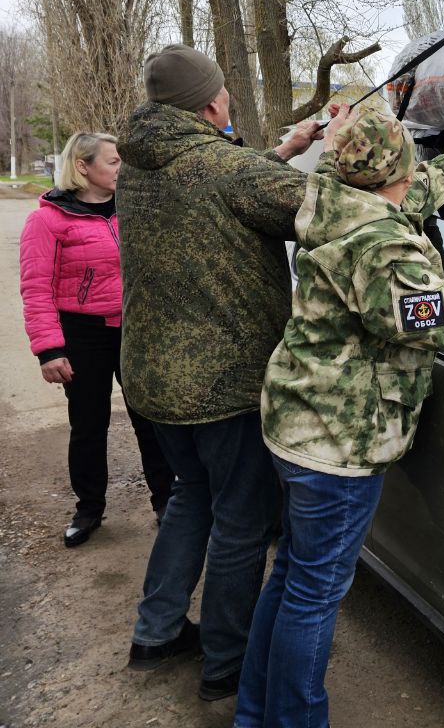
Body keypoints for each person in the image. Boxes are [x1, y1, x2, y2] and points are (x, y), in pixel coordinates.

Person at [233, 83, 444, 728]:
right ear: (390, 175)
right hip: (337, 443)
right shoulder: (382, 248)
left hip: (297, 421)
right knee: (314, 595)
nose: (412, 180)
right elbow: (440, 326)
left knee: (293, 574)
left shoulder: (336, 198)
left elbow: (420, 188)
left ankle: (256, 712)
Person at [117, 44, 328, 701]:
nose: (230, 98)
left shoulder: (138, 166)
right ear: (211, 104)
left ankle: (155, 633)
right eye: (225, 91)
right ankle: (225, 665)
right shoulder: (228, 169)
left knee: (192, 496)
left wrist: (284, 150)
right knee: (241, 521)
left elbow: (214, 189)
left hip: (152, 379)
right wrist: (343, 149)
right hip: (222, 386)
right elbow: (334, 212)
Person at [19, 132, 175, 547]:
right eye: (114, 161)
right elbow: (36, 288)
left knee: (151, 418)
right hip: (81, 334)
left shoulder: (134, 208)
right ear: (83, 167)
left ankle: (166, 501)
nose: (122, 168)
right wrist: (48, 349)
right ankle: (89, 507)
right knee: (89, 424)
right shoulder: (48, 219)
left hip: (135, 328)